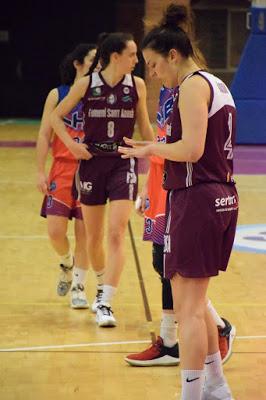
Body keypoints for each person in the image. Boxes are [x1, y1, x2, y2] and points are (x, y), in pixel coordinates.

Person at [119, 4, 238, 400]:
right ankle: (217, 387)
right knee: (198, 304)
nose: (152, 74)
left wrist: (150, 147)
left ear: (173, 55)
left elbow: (191, 149)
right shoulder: (216, 83)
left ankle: (192, 394)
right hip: (217, 197)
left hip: (198, 199)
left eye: (153, 65)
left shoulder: (190, 85)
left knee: (188, 310)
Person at [50, 32, 154, 327]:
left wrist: (158, 157)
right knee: (94, 237)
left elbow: (145, 126)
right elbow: (56, 117)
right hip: (92, 163)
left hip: (123, 161)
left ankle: (105, 301)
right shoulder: (86, 85)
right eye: (132, 55)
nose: (137, 60)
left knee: (116, 232)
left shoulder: (137, 86)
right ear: (115, 56)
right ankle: (98, 284)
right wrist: (72, 145)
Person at [36, 43, 97, 309]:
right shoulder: (57, 94)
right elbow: (43, 134)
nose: (97, 65)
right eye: (93, 59)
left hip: (89, 171)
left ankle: (80, 287)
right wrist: (40, 170)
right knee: (55, 231)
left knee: (85, 233)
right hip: (60, 169)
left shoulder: (98, 96)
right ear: (77, 63)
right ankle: (66, 262)